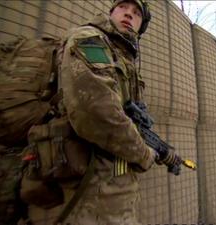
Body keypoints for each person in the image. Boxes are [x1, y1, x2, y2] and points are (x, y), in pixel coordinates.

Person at [22, 1, 177, 224]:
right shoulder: (90, 39)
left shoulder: (124, 58)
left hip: (110, 190)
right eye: (123, 7)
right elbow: (95, 111)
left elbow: (128, 119)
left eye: (136, 14)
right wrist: (143, 154)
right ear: (112, 11)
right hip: (85, 188)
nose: (129, 14)